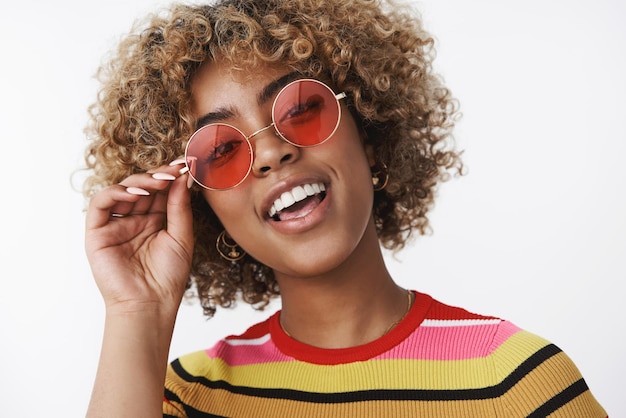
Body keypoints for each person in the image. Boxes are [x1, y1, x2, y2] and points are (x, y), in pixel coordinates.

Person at [82, 0, 607, 416]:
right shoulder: (187, 398)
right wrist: (138, 312)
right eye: (221, 150)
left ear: (370, 132)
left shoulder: (516, 382)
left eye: (302, 108)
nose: (270, 153)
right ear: (200, 206)